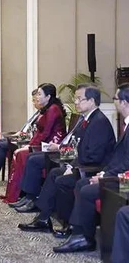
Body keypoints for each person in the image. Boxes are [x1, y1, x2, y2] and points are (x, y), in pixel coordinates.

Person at [16, 85, 115, 232]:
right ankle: (43, 217)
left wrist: (73, 167)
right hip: (82, 163)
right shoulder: (86, 119)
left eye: (79, 99)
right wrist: (70, 164)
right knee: (54, 173)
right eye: (75, 98)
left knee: (62, 179)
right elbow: (77, 146)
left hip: (93, 169)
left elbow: (94, 156)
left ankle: (70, 224)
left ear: (92, 101)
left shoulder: (99, 122)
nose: (75, 102)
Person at [53, 83, 129, 253]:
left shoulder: (100, 122)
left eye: (115, 98)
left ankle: (83, 236)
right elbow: (117, 159)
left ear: (124, 102)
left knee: (85, 189)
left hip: (122, 180)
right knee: (79, 184)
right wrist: (104, 173)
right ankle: (80, 234)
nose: (114, 102)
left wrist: (104, 175)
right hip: (113, 173)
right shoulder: (124, 123)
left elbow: (124, 162)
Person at [0, 83, 67, 203]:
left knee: (22, 154)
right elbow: (40, 133)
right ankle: (20, 194)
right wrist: (29, 146)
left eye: (40, 94)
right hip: (43, 143)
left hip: (52, 145)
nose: (37, 97)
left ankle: (27, 196)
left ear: (48, 96)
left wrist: (29, 147)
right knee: (20, 153)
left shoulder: (53, 109)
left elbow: (45, 133)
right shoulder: (48, 109)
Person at [0, 89, 40, 186]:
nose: (34, 103)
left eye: (35, 100)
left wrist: (22, 135)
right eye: (33, 100)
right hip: (22, 137)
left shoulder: (44, 114)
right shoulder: (38, 113)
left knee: (1, 146)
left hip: (27, 142)